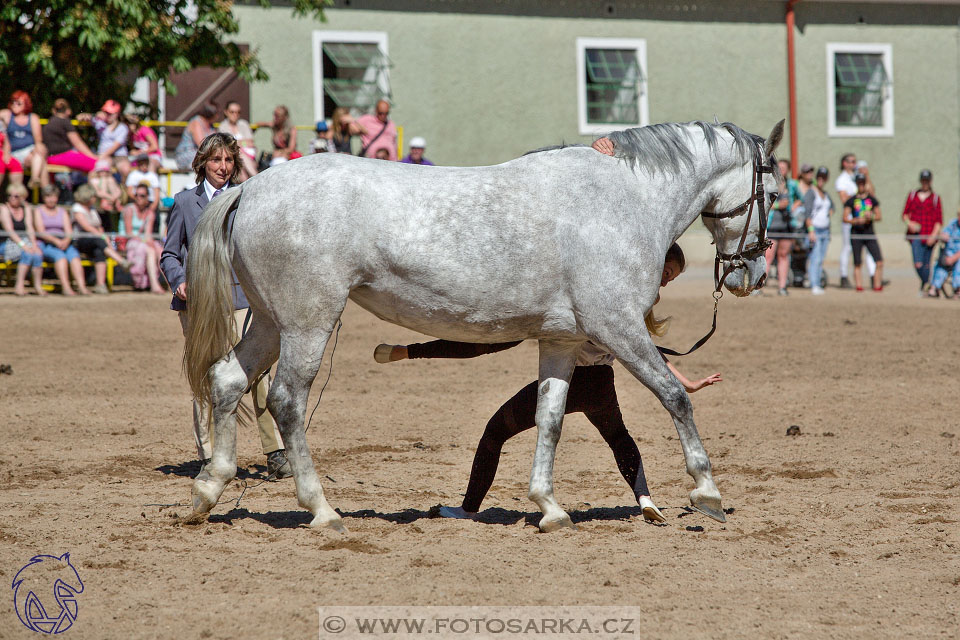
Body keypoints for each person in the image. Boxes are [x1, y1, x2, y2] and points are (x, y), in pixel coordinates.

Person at [375, 244, 722, 523]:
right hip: (601, 385)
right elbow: (648, 353)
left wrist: (686, 384)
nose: (664, 283)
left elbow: (486, 343)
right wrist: (685, 384)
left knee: (495, 431)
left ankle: (468, 508)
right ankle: (645, 499)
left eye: (670, 278)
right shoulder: (628, 301)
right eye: (666, 274)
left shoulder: (615, 294)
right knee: (619, 438)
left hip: (567, 379)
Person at [160, 132, 292, 477]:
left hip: (239, 298)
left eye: (229, 160)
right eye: (216, 160)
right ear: (202, 162)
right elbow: (170, 254)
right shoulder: (185, 202)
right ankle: (210, 455)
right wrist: (179, 281)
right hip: (199, 303)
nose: (223, 166)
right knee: (206, 376)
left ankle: (275, 451)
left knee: (257, 372)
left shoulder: (242, 200)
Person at [70, 184, 129, 294]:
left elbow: (99, 226)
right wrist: (102, 236)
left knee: (99, 251)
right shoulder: (76, 208)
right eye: (93, 196)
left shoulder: (92, 209)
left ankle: (100, 285)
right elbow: (86, 227)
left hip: (94, 241)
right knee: (98, 241)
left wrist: (104, 237)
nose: (95, 198)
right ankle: (121, 261)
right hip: (80, 241)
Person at [33, 184, 90, 296]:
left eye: (53, 196)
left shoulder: (62, 211)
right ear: (44, 198)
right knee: (61, 257)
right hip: (46, 243)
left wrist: (66, 241)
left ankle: (82, 287)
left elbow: (69, 230)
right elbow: (41, 231)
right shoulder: (38, 211)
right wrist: (56, 241)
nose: (51, 199)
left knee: (74, 257)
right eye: (48, 196)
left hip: (63, 242)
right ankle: (66, 287)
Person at [835, 153, 876, 288]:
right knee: (847, 248)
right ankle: (844, 276)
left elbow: (871, 195)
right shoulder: (842, 180)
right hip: (851, 220)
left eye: (855, 161)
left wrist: (867, 176)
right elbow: (845, 201)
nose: (854, 164)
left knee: (869, 249)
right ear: (844, 163)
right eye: (851, 161)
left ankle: (873, 276)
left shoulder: (856, 177)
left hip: (865, 222)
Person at [119, 183, 165, 294]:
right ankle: (153, 284)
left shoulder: (150, 213)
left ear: (147, 197)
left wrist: (149, 242)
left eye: (142, 195)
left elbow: (148, 234)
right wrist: (146, 241)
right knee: (148, 249)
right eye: (137, 195)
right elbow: (129, 232)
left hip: (141, 241)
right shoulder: (129, 209)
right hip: (127, 241)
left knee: (160, 250)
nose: (138, 198)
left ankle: (170, 282)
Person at [902, 169, 943, 294]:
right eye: (923, 180)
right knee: (918, 263)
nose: (925, 182)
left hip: (930, 234)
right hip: (916, 236)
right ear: (920, 181)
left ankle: (925, 286)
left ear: (930, 181)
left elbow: (938, 220)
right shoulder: (912, 195)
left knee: (926, 264)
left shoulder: (935, 198)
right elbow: (905, 214)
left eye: (927, 180)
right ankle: (927, 283)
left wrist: (934, 235)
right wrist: (910, 224)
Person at [763, 159, 800, 296]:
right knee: (768, 256)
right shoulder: (770, 183)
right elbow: (765, 204)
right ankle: (759, 286)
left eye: (784, 168)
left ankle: (782, 287)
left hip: (787, 225)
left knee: (784, 255)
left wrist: (793, 207)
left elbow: (800, 198)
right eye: (780, 167)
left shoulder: (792, 185)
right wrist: (778, 206)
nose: (782, 170)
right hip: (772, 224)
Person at [0, 183, 44, 296]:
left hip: (23, 241)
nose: (12, 198)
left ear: (22, 197)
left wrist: (34, 245)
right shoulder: (4, 208)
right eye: (10, 195)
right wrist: (24, 246)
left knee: (38, 253)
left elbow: (30, 228)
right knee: (27, 254)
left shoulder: (26, 208)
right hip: (7, 242)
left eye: (16, 196)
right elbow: (10, 231)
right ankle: (19, 286)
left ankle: (38, 286)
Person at [843, 173, 884, 292]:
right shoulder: (851, 200)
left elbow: (879, 216)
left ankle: (877, 285)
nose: (860, 185)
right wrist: (854, 221)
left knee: (879, 261)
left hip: (869, 233)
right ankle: (859, 287)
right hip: (856, 233)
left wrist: (869, 217)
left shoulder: (872, 199)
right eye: (858, 183)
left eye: (862, 183)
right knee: (857, 262)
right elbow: (845, 217)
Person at [0, 90, 48, 188]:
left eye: (18, 103)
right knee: (42, 164)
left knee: (40, 151)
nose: (14, 105)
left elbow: (38, 140)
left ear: (26, 104)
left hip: (29, 153)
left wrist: (38, 148)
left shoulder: (33, 118)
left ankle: (35, 180)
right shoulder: (8, 115)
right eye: (13, 102)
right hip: (12, 153)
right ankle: (44, 190)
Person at [78, 100, 131, 182]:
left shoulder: (123, 127)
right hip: (103, 155)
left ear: (117, 114)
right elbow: (80, 117)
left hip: (119, 156)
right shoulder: (100, 123)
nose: (108, 115)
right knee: (99, 171)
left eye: (110, 113)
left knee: (126, 170)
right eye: (106, 113)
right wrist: (95, 115)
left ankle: (124, 191)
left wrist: (102, 156)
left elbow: (115, 146)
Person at [42, 98, 98, 173]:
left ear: (53, 110)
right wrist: (94, 157)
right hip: (62, 156)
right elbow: (78, 143)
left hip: (49, 158)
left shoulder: (49, 122)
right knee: (98, 165)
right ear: (68, 111)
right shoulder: (65, 122)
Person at [802, 166, 834, 296]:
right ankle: (814, 284)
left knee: (820, 258)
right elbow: (807, 214)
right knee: (815, 258)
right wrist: (811, 231)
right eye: (819, 177)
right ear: (816, 178)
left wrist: (829, 213)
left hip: (825, 231)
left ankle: (818, 283)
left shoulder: (825, 194)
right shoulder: (811, 192)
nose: (821, 180)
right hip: (815, 230)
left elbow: (832, 207)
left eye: (824, 178)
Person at [218, 101, 258, 180]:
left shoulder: (243, 124)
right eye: (232, 112)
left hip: (248, 158)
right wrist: (243, 142)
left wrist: (237, 142)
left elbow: (251, 143)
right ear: (226, 112)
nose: (235, 115)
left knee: (242, 170)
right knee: (240, 156)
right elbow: (227, 145)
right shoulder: (223, 127)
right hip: (233, 158)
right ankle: (256, 177)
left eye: (238, 112)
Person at [174, 102, 217, 171]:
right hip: (188, 154)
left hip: (202, 154)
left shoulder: (211, 126)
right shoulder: (196, 122)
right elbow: (202, 145)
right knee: (209, 162)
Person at [928, 208, 960, 298]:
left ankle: (958, 288)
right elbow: (944, 233)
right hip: (949, 254)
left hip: (957, 257)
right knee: (941, 265)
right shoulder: (953, 224)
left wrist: (954, 258)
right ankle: (934, 287)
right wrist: (943, 236)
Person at [0, 116, 25, 187]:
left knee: (16, 164)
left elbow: (6, 141)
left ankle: (16, 194)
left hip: (1, 152)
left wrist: (6, 154)